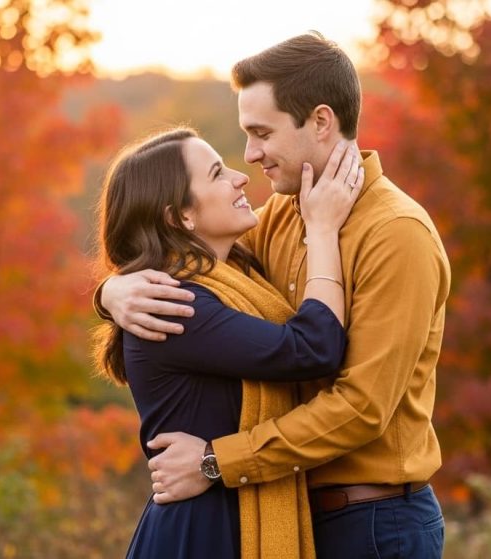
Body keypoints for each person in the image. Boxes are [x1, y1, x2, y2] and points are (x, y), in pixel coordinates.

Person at [98, 33, 451, 558]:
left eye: (262, 133)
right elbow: (191, 254)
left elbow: (361, 409)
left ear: (321, 122)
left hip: (374, 523)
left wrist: (217, 462)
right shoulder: (285, 214)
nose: (251, 154)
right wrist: (113, 291)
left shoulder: (396, 234)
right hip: (290, 513)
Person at [94, 126, 364, 558]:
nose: (240, 178)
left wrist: (108, 290)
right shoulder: (177, 304)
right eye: (218, 173)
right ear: (179, 217)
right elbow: (312, 349)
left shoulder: (235, 277)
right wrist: (324, 231)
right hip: (201, 534)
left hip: (223, 519)